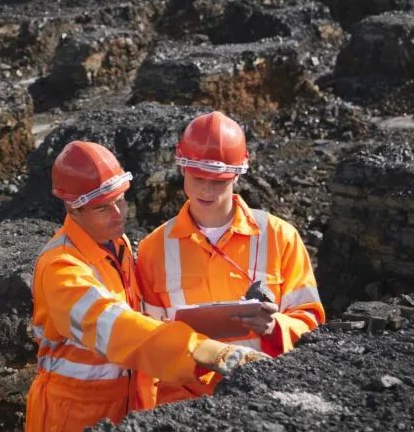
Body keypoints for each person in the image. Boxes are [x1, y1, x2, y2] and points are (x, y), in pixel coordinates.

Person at [25, 139, 265, 432]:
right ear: (73, 208)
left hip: (126, 407)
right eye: (102, 207)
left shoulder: (116, 244)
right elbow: (113, 325)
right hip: (71, 418)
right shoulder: (60, 268)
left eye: (121, 200)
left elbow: (140, 317)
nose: (118, 214)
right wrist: (201, 351)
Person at [136, 111, 325, 406]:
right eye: (198, 178)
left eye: (218, 181)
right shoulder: (154, 249)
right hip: (184, 402)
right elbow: (149, 336)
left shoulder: (279, 236)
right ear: (182, 168)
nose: (206, 190)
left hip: (265, 393)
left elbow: (310, 319)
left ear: (237, 174)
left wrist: (275, 328)